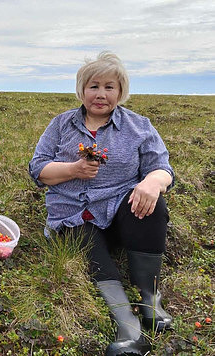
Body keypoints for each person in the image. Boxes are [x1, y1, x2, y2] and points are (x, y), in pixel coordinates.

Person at [29, 51, 174, 356]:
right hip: (73, 215)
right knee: (85, 241)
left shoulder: (139, 126)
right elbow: (38, 169)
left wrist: (152, 182)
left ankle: (150, 301)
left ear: (120, 91)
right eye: (94, 86)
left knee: (151, 202)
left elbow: (162, 168)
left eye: (110, 87)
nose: (101, 94)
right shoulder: (60, 125)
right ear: (82, 89)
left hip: (119, 210)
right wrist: (72, 170)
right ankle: (128, 326)